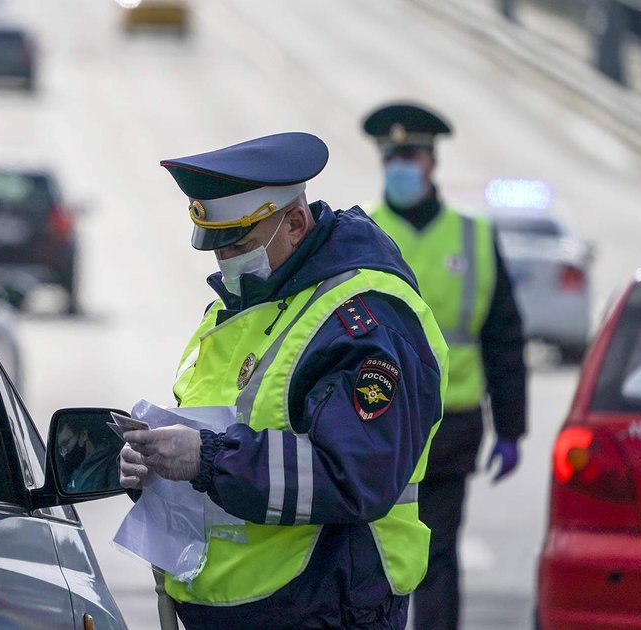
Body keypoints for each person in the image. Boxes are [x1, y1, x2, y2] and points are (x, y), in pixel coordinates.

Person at [118, 132, 449, 629]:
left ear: (295, 223)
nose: (227, 263)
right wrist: (157, 467)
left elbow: (355, 476)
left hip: (325, 609)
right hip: (234, 607)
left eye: (242, 245)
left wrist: (205, 458)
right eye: (218, 249)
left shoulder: (363, 320)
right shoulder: (236, 309)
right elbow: (218, 436)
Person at [361, 102, 528, 630]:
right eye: (391, 156)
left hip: (450, 424)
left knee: (436, 554)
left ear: (432, 162)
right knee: (370, 557)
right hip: (374, 423)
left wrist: (511, 428)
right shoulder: (360, 232)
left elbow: (503, 335)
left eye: (409, 155)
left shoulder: (473, 237)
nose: (399, 166)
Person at [56, 419, 122, 493]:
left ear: (84, 435)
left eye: (65, 443)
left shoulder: (112, 465)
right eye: (61, 448)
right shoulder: (71, 469)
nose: (64, 452)